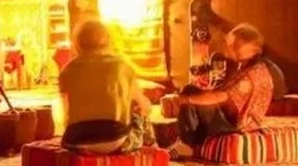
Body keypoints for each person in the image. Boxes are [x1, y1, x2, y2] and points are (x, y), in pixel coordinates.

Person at [58, 19, 155, 154]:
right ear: (108, 40)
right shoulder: (123, 67)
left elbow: (66, 116)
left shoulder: (66, 71)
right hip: (116, 141)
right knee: (139, 111)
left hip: (75, 142)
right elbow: (145, 108)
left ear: (77, 43)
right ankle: (155, 152)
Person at [175, 22, 275, 152]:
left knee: (189, 96)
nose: (231, 47)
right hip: (231, 120)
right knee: (192, 91)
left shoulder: (253, 74)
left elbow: (221, 97)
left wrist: (186, 100)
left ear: (252, 47)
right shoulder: (250, 67)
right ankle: (195, 139)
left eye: (237, 44)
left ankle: (188, 145)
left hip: (233, 127)